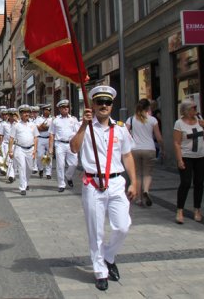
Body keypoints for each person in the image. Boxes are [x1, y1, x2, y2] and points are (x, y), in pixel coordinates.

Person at [70, 86, 137, 291]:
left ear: (112, 105)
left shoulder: (120, 128)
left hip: (116, 182)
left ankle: (108, 255)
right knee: (96, 230)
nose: (104, 106)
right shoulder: (86, 128)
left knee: (122, 226)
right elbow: (74, 147)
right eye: (99, 102)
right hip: (93, 183)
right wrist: (83, 125)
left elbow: (127, 155)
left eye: (107, 103)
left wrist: (134, 181)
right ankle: (100, 270)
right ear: (93, 105)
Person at [173, 99, 204, 224]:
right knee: (186, 183)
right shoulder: (179, 123)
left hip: (202, 155)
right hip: (186, 156)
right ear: (186, 110)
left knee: (199, 183)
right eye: (193, 108)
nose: (196, 110)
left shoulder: (199, 119)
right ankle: (179, 210)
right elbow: (177, 143)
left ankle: (197, 209)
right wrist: (179, 159)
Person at [127, 99, 164, 206]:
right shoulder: (153, 120)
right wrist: (162, 148)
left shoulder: (131, 119)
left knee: (137, 174)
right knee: (147, 173)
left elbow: (125, 132)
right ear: (148, 108)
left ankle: (138, 198)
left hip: (135, 149)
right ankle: (146, 191)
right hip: (150, 149)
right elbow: (158, 137)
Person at [49, 100, 80, 192]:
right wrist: (51, 148)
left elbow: (78, 133)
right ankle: (61, 184)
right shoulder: (55, 120)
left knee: (74, 163)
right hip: (59, 144)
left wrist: (78, 144)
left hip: (71, 143)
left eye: (67, 107)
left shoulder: (73, 119)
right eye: (63, 107)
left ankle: (68, 176)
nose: (66, 108)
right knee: (60, 165)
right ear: (59, 109)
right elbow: (51, 134)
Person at [8, 105, 38, 195]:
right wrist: (10, 151)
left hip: (30, 149)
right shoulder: (16, 125)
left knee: (29, 168)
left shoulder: (33, 125)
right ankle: (22, 187)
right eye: (24, 112)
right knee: (22, 167)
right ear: (20, 114)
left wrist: (35, 150)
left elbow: (36, 138)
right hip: (19, 149)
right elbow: (11, 139)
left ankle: (26, 183)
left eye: (28, 112)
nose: (26, 114)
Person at [35, 104, 53, 179]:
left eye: (48, 110)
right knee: (40, 155)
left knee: (49, 156)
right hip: (41, 138)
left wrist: (44, 127)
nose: (47, 111)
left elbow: (52, 130)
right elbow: (37, 129)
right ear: (43, 110)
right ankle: (41, 169)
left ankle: (48, 173)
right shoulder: (39, 119)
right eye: (46, 110)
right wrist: (47, 128)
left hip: (49, 138)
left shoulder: (52, 119)